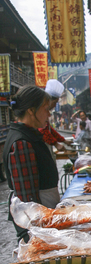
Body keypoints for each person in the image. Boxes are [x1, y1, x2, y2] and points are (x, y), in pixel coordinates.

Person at [3, 85, 59, 243]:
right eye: (46, 109)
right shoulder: (21, 142)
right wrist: (39, 235)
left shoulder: (29, 134)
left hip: (45, 214)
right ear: (31, 110)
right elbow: (28, 201)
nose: (49, 114)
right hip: (36, 223)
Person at [39, 80, 73, 159]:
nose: (55, 105)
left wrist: (63, 140)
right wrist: (56, 144)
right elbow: (43, 130)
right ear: (49, 101)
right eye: (55, 102)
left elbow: (49, 129)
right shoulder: (41, 111)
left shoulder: (45, 111)